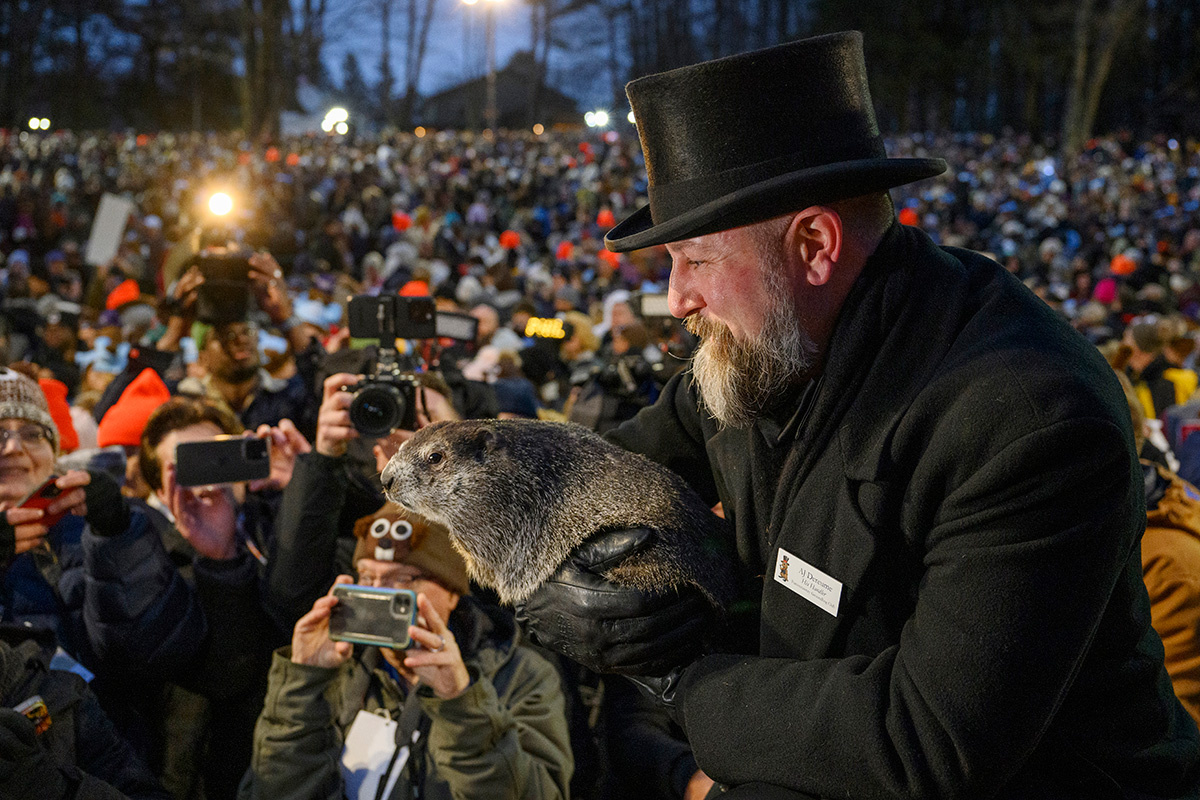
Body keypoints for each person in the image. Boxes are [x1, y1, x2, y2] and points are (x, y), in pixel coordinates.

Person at [514, 32, 1200, 798]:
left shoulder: (1028, 414)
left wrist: (680, 679)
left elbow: (928, 738)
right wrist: (540, 573)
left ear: (813, 244)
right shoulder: (762, 350)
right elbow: (591, 476)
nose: (677, 301)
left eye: (697, 260)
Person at [240, 507, 573, 800]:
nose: (379, 595)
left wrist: (462, 702)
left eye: (404, 580)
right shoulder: (340, 666)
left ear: (453, 594)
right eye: (367, 577)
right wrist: (303, 685)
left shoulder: (519, 675)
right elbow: (269, 790)